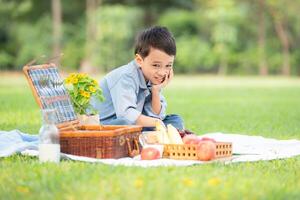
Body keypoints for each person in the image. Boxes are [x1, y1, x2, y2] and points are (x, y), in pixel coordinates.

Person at [92, 26, 184, 130]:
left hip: (134, 124)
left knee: (175, 120)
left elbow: (157, 116)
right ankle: (151, 135)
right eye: (156, 65)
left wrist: (156, 91)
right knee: (125, 122)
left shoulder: (152, 77)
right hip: (108, 125)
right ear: (139, 60)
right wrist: (156, 123)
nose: (162, 72)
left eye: (168, 66)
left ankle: (149, 136)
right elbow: (126, 115)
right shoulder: (126, 76)